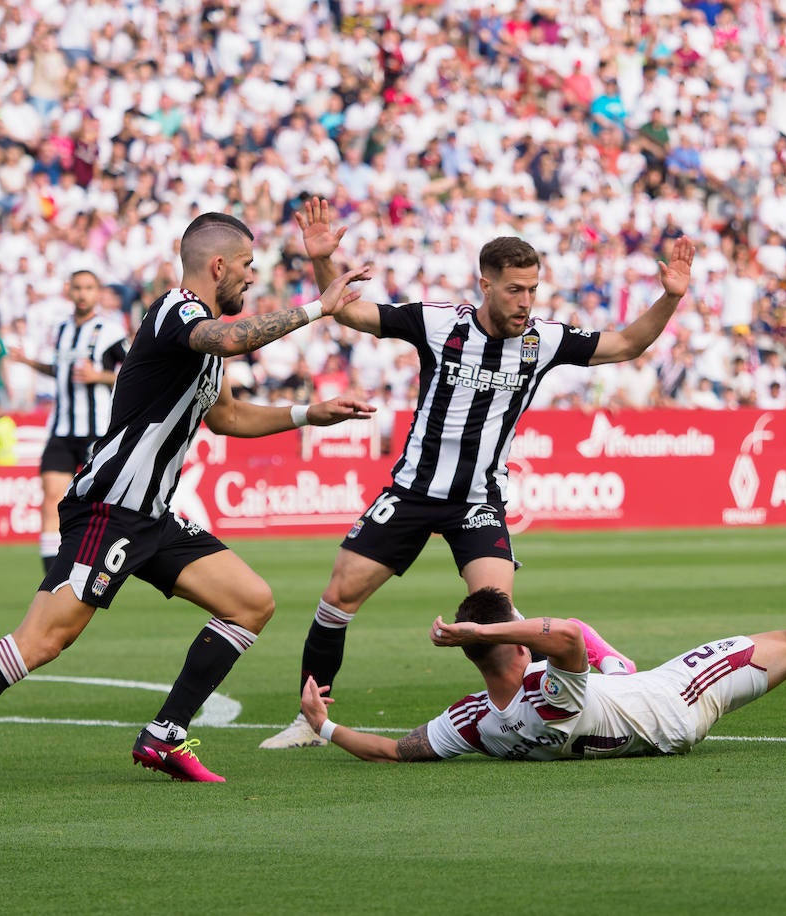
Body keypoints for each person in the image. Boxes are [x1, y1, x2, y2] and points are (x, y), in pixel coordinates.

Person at [0, 212, 377, 796]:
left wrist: (305, 415)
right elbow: (234, 340)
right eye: (246, 266)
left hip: (153, 515)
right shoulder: (177, 311)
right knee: (43, 640)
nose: (251, 276)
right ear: (217, 266)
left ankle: (166, 733)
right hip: (110, 509)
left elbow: (227, 416)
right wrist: (317, 307)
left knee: (250, 603)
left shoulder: (207, 332)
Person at [260, 196, 695, 749]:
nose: (525, 301)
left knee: (499, 621)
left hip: (478, 503)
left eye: (533, 289)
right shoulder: (440, 324)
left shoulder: (544, 340)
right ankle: (309, 720)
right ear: (485, 285)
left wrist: (670, 297)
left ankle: (571, 701)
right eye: (515, 289)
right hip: (413, 490)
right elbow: (350, 312)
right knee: (337, 599)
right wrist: (323, 261)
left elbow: (629, 343)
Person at [297, 536, 786, 762]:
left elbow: (393, 749)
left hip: (630, 704)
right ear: (505, 645)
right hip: (674, 700)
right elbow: (560, 638)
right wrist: (482, 628)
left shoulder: (475, 722)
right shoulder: (543, 696)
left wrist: (323, 724)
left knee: (597, 653)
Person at [8, 270, 130, 572]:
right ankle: (51, 575)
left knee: (99, 503)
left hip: (97, 431)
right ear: (69, 291)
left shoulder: (110, 330)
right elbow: (59, 370)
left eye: (89, 288)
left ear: (97, 292)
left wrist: (99, 376)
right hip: (61, 429)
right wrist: (28, 363)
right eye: (77, 288)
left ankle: (99, 565)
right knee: (51, 498)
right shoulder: (61, 329)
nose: (82, 294)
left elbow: (132, 373)